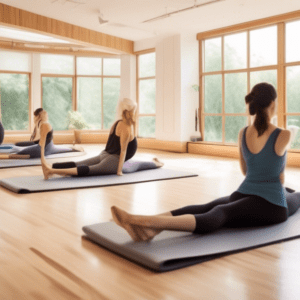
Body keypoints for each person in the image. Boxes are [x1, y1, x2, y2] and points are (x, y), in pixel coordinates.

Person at [111, 82, 300, 242]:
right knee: (222, 211)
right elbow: (293, 131)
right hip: (273, 205)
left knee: (211, 207)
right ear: (273, 104)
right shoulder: (283, 135)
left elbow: (245, 171)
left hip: (245, 192)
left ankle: (150, 225)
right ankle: (147, 224)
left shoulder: (243, 133)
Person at [41, 98, 164, 179]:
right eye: (134, 110)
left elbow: (111, 144)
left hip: (104, 154)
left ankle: (52, 166)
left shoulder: (116, 123)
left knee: (81, 163)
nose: (135, 112)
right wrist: (119, 171)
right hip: (113, 160)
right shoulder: (127, 128)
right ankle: (51, 171)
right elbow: (123, 151)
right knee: (91, 170)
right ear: (130, 111)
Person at [0, 108, 81, 159]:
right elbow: (38, 140)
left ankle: (74, 149)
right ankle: (73, 148)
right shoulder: (40, 123)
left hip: (45, 148)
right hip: (47, 146)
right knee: (16, 147)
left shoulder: (44, 125)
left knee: (18, 150)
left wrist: (42, 159)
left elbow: (41, 144)